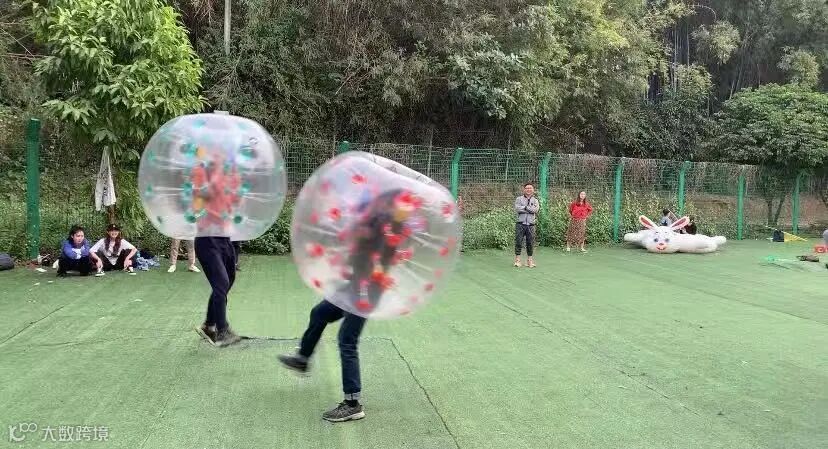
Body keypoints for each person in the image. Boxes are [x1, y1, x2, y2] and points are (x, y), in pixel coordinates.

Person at [277, 188, 410, 423]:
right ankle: (302, 358)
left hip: (366, 291)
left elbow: (374, 258)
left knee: (347, 340)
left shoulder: (386, 230)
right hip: (354, 286)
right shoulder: (373, 224)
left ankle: (352, 404)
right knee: (320, 313)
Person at [514, 183, 539, 268]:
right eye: (527, 188)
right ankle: (517, 260)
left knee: (530, 243)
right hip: (520, 224)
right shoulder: (519, 199)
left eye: (530, 188)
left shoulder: (535, 200)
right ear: (524, 190)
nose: (528, 189)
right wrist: (529, 209)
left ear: (533, 190)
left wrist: (525, 208)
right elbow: (517, 209)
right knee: (518, 242)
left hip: (531, 225)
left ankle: (529, 261)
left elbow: (535, 210)